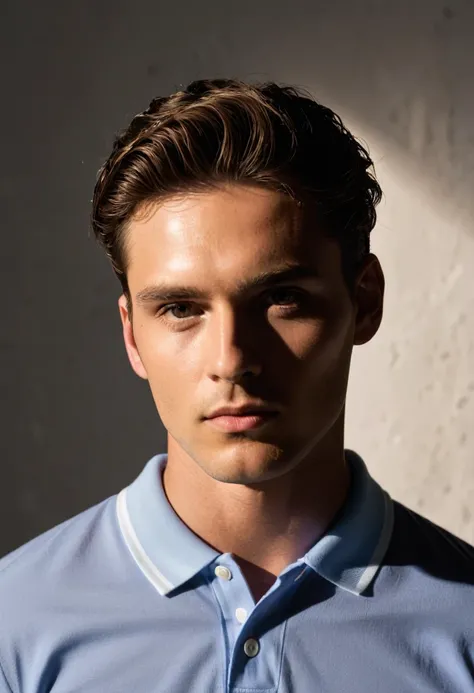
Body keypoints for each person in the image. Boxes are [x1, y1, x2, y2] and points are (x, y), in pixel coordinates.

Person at [1, 78, 473, 693]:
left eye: (281, 299)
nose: (232, 359)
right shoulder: (16, 625)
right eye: (179, 308)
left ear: (364, 303)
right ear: (133, 335)